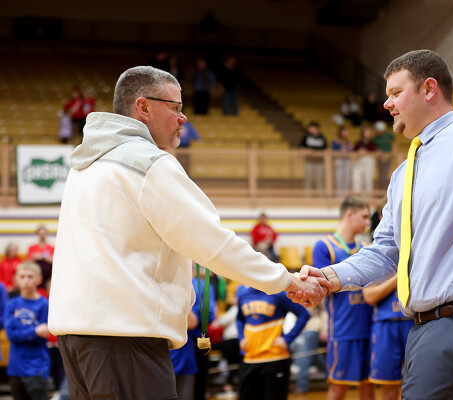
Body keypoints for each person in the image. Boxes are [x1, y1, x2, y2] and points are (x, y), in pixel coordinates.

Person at [48, 65, 328, 400]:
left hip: (77, 338)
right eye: (176, 107)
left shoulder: (88, 164)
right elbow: (213, 244)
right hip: (124, 338)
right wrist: (287, 280)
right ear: (143, 107)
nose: (183, 118)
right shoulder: (148, 162)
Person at [291, 49, 453, 400]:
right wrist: (329, 277)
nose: (386, 104)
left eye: (396, 93)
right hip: (425, 325)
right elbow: (385, 251)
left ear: (429, 89)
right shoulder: (402, 173)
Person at [313, 196, 374, 400]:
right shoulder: (324, 246)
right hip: (343, 330)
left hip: (369, 327)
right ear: (349, 214)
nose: (368, 222)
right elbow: (323, 288)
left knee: (368, 387)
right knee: (338, 389)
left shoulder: (366, 247)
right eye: (364, 217)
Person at [236, 284, 310, 400]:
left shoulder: (279, 293)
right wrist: (241, 337)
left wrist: (287, 339)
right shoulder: (242, 293)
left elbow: (304, 314)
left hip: (275, 358)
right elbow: (239, 318)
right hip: (249, 358)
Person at [362, 275, 413, 400]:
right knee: (389, 385)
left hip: (415, 321)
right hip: (385, 325)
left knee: (422, 381)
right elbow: (369, 297)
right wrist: (398, 277)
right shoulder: (376, 263)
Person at [5, 261, 50, 400]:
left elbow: (45, 334)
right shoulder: (11, 304)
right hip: (15, 368)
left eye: (30, 276)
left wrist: (27, 333)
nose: (26, 280)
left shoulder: (45, 304)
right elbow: (11, 335)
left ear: (39, 279)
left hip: (37, 368)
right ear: (16, 279)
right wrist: (35, 331)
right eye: (22, 276)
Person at [170, 266, 215, 400]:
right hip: (177, 339)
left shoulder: (201, 285)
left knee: (197, 386)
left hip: (197, 339)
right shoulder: (169, 285)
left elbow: (206, 317)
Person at [299, 121, 327, 194]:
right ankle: (307, 195)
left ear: (316, 129)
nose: (310, 129)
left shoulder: (322, 137)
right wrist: (307, 150)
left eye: (312, 128)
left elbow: (325, 148)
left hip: (320, 162)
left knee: (320, 179)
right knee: (308, 179)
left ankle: (321, 195)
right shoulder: (306, 137)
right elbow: (301, 148)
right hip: (309, 161)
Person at [352, 126, 377, 194]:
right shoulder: (358, 143)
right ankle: (357, 195)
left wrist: (366, 152)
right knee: (357, 179)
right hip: (359, 162)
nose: (367, 133)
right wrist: (359, 152)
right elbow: (353, 152)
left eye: (368, 132)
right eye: (366, 132)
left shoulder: (372, 143)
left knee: (368, 179)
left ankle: (367, 196)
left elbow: (375, 152)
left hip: (369, 162)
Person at [372, 121, 395, 190]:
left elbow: (394, 142)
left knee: (386, 174)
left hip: (388, 157)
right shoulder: (375, 138)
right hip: (380, 158)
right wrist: (378, 152)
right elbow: (374, 148)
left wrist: (393, 151)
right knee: (381, 175)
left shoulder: (388, 135)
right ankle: (381, 190)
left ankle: (386, 189)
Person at [331, 126, 353, 195]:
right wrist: (340, 152)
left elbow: (351, 151)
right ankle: (339, 195)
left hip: (346, 161)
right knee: (339, 178)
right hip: (338, 160)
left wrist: (347, 151)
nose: (346, 133)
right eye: (344, 131)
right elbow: (332, 151)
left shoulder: (348, 142)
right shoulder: (335, 141)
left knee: (346, 178)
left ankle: (346, 194)